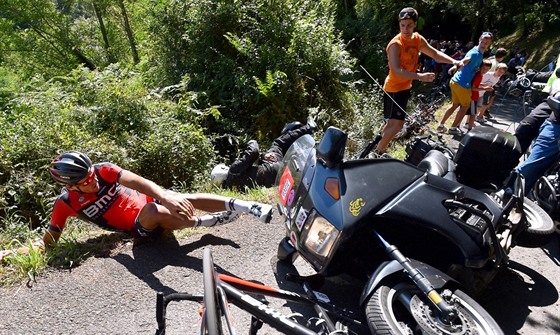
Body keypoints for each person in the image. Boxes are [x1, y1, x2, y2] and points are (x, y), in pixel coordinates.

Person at [42, 151, 274, 248]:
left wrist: (165, 195)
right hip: (140, 226)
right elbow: (52, 236)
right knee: (154, 210)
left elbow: (137, 181)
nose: (93, 182)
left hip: (152, 202)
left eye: (92, 175)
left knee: (175, 197)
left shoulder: (104, 171)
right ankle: (208, 222)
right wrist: (39, 248)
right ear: (70, 186)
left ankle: (245, 205)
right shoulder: (66, 203)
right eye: (85, 183)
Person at [374, 7, 464, 154]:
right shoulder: (395, 45)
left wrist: (454, 61)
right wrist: (419, 76)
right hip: (393, 88)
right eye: (402, 25)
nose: (405, 29)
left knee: (391, 123)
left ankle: (377, 146)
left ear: (415, 24)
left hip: (404, 87)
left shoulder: (417, 39)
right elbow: (397, 71)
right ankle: (379, 151)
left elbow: (434, 53)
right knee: (397, 125)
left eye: (409, 25)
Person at [211, 120, 317, 189]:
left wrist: (262, 157)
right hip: (275, 168)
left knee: (268, 155)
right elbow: (253, 151)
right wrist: (250, 142)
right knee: (278, 143)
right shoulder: (233, 171)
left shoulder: (232, 188)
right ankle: (309, 128)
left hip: (274, 180)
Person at [436, 32, 494, 135]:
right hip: (463, 84)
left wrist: (456, 66)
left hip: (455, 81)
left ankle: (441, 125)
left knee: (455, 105)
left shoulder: (476, 51)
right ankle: (453, 128)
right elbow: (466, 60)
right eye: (483, 41)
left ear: (489, 44)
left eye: (486, 43)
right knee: (465, 106)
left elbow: (465, 60)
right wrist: (458, 65)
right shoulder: (475, 53)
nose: (484, 44)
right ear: (479, 39)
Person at [515, 71, 560, 194]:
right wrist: (530, 75)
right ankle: (508, 193)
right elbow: (555, 78)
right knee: (526, 127)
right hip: (556, 120)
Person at [463, 59, 493, 131]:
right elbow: (473, 88)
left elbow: (475, 84)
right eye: (484, 68)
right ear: (480, 67)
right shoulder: (478, 75)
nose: (485, 70)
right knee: (473, 114)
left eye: (487, 69)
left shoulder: (479, 75)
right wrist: (485, 88)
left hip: (473, 97)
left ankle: (465, 125)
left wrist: (483, 85)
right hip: (473, 97)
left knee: (469, 112)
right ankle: (469, 128)